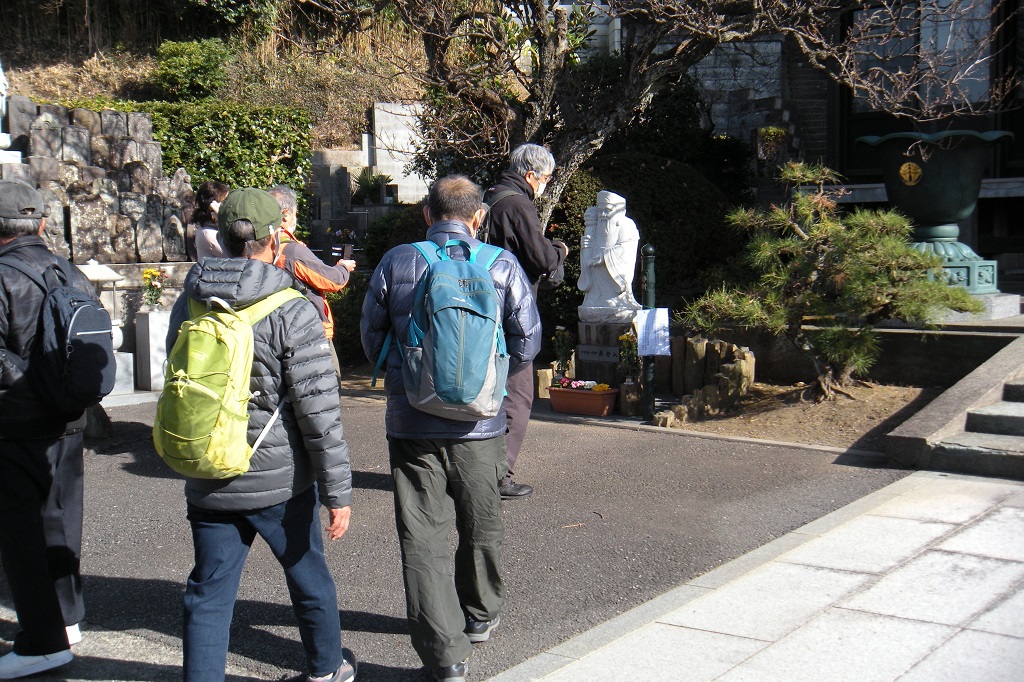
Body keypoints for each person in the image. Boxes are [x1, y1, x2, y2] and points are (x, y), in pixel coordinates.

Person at [166, 188, 356, 682]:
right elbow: (319, 411)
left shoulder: (190, 301)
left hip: (209, 469)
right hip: (279, 479)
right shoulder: (292, 308)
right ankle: (326, 670)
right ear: (276, 240)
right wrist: (337, 492)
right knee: (307, 575)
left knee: (208, 592)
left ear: (224, 239)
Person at [361, 175, 540, 682]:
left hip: (412, 420)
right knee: (482, 520)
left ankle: (445, 656)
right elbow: (527, 342)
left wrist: (408, 376)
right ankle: (480, 615)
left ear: (427, 214)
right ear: (479, 216)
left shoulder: (398, 261)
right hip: (481, 425)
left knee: (423, 534)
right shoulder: (501, 264)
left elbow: (371, 335)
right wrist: (487, 380)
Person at [0, 180, 89, 678]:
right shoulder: (67, 269)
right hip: (68, 419)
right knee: (61, 521)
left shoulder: (2, 275)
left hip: (16, 422)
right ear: (38, 223)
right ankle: (67, 619)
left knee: (21, 534)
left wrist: (30, 385)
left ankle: (42, 642)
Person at [483, 143, 568, 499]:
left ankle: (471, 470)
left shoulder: (487, 197)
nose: (545, 185)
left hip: (478, 311)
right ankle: (499, 476)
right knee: (517, 396)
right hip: (511, 314)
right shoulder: (518, 205)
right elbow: (542, 259)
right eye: (545, 178)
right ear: (531, 175)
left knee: (480, 394)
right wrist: (560, 250)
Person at [265, 185, 356, 376]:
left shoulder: (261, 246)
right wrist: (343, 267)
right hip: (309, 333)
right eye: (295, 213)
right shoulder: (291, 251)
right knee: (327, 386)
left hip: (272, 330)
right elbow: (332, 280)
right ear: (285, 215)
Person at [189, 180, 230, 261]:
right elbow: (238, 255)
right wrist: (225, 220)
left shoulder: (218, 228)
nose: (228, 206)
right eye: (224, 202)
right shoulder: (207, 233)